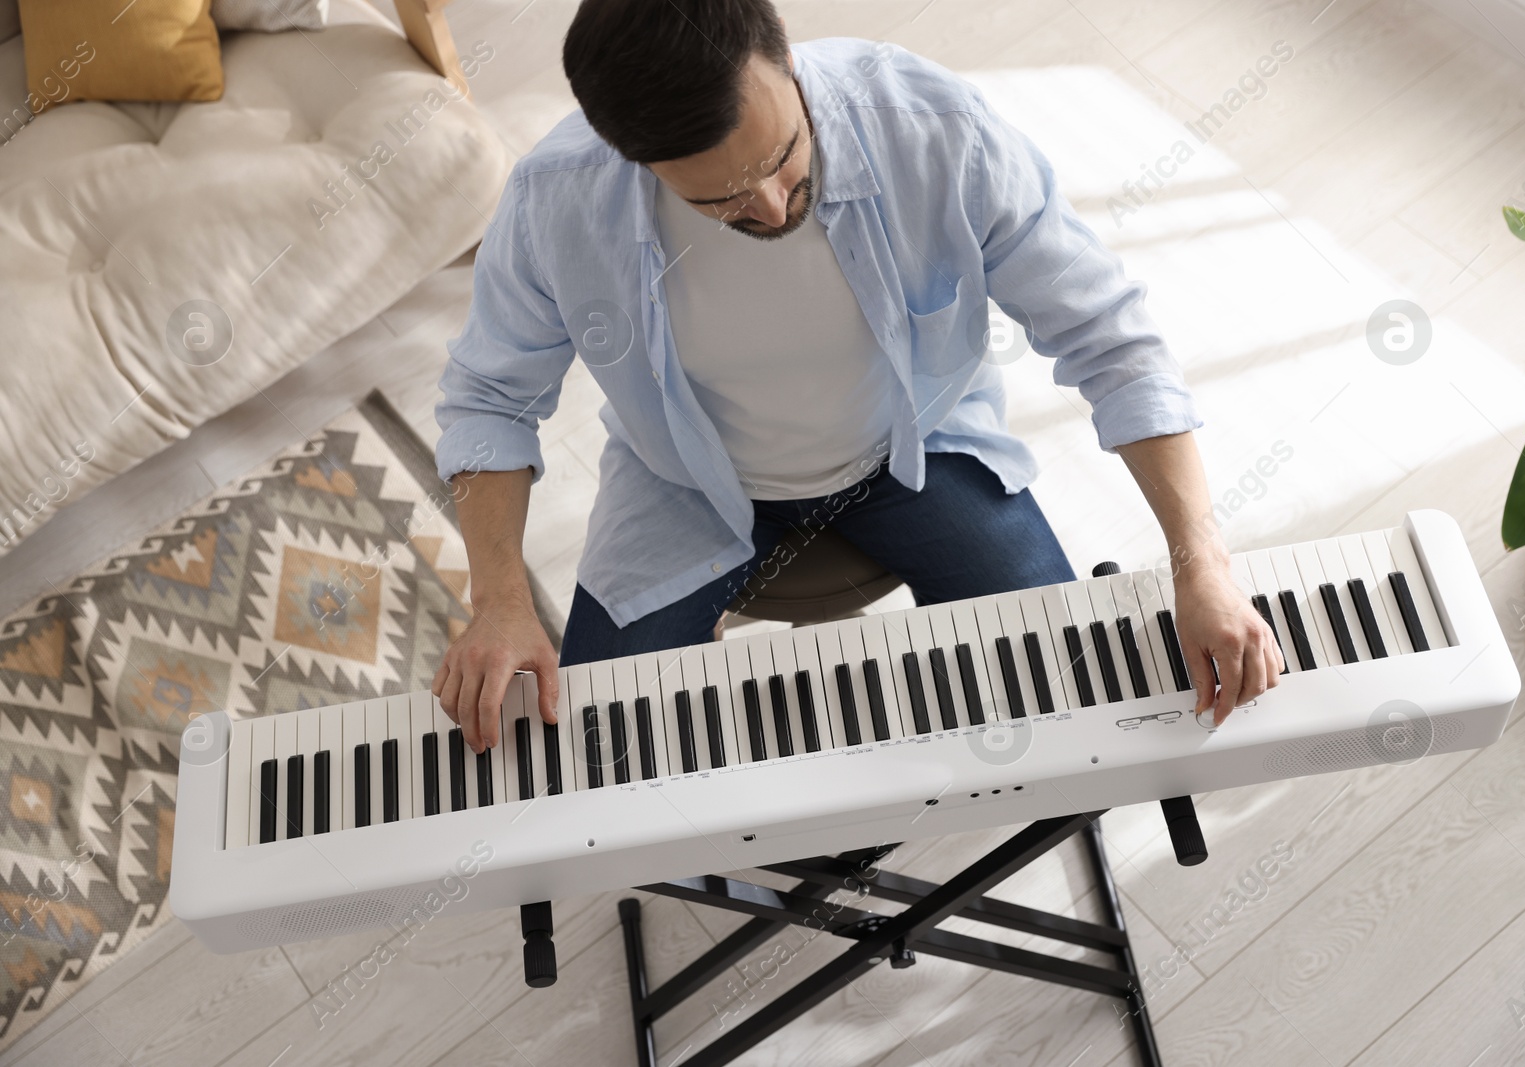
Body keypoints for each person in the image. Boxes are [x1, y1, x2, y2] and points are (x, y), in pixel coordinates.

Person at [430, 0, 1282, 754]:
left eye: (784, 158)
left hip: (916, 448)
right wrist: (500, 597)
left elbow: (1108, 333)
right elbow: (491, 398)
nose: (769, 206)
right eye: (720, 200)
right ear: (633, 158)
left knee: (1072, 697)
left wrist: (1198, 560)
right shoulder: (555, 200)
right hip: (684, 482)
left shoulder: (932, 126)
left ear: (787, 59)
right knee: (595, 754)